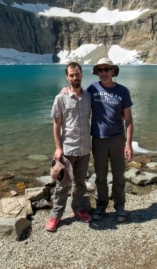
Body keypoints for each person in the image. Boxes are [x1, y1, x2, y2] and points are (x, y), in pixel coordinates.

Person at [45, 62, 93, 232]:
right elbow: (56, 125)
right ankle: (55, 216)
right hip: (67, 149)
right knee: (61, 184)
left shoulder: (88, 96)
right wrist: (58, 148)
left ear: (82, 74)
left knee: (80, 183)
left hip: (85, 148)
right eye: (71, 75)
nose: (74, 78)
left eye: (77, 74)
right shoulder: (61, 98)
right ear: (67, 77)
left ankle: (77, 209)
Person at [88, 58, 133, 223]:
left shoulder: (122, 91)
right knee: (100, 176)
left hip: (117, 139)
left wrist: (128, 144)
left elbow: (128, 120)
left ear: (113, 71)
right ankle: (101, 204)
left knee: (119, 175)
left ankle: (120, 206)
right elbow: (77, 97)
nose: (103, 73)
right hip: (98, 139)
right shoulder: (92, 88)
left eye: (106, 69)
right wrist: (66, 90)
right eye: (100, 70)